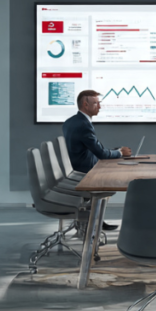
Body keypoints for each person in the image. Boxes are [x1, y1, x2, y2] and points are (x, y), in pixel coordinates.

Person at [63, 90, 131, 230]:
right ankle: (94, 220)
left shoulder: (71, 121)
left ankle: (94, 219)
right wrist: (119, 152)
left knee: (112, 163)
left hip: (76, 165)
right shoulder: (84, 125)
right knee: (112, 178)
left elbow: (93, 148)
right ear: (85, 104)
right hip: (85, 169)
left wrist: (114, 151)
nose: (99, 107)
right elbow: (101, 153)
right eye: (96, 103)